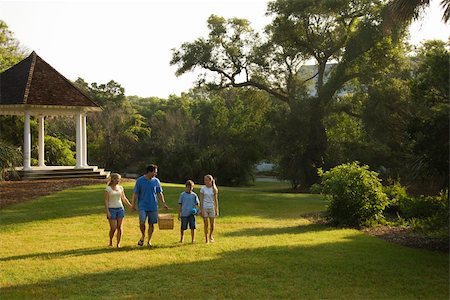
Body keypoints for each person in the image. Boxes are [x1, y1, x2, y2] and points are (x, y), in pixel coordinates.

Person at [131, 164, 168, 247]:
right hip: (142, 205)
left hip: (153, 206)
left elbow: (159, 193)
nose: (156, 174)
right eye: (155, 172)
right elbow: (135, 193)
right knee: (142, 222)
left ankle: (149, 241)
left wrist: (164, 203)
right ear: (150, 171)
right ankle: (143, 236)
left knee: (151, 223)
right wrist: (133, 205)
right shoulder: (140, 181)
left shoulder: (156, 181)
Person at [104, 173, 132, 248]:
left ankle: (118, 243)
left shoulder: (120, 188)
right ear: (112, 179)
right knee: (113, 227)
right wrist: (107, 212)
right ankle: (110, 241)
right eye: (115, 179)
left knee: (119, 227)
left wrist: (130, 206)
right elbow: (106, 201)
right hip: (111, 208)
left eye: (118, 179)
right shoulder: (108, 189)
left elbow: (124, 198)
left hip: (120, 208)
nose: (117, 181)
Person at [199, 174, 219, 243]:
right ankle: (206, 239)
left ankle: (211, 235)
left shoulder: (214, 189)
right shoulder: (202, 189)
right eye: (205, 180)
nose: (205, 181)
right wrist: (200, 209)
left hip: (212, 207)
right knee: (206, 224)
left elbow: (216, 200)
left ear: (210, 181)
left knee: (212, 224)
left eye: (207, 180)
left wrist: (216, 209)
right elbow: (201, 200)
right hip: (205, 207)